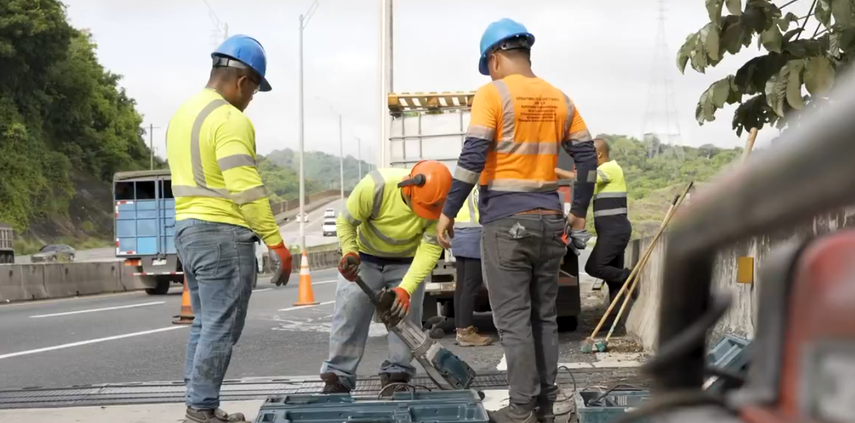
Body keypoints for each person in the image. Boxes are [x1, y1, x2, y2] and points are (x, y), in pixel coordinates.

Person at [435, 18, 598, 423]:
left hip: (507, 225)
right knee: (543, 317)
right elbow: (589, 158)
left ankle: (522, 410)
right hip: (550, 224)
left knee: (513, 322)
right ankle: (545, 405)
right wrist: (578, 212)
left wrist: (448, 211)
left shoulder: (493, 94)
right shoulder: (561, 98)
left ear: (494, 60)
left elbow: (472, 158)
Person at [167, 34, 293, 423]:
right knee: (221, 326)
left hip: (188, 230)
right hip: (223, 234)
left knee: (205, 322)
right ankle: (201, 409)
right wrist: (277, 244)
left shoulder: (182, 114)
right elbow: (247, 190)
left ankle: (198, 402)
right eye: (254, 90)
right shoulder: (229, 119)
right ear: (243, 81)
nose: (252, 99)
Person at [320, 161, 452, 394]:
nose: (423, 214)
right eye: (420, 206)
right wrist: (350, 251)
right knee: (349, 315)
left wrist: (406, 289)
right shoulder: (375, 186)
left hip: (407, 263)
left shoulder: (440, 205)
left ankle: (397, 374)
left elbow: (430, 248)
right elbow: (346, 222)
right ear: (409, 188)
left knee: (405, 318)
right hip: (365, 259)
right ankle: (339, 377)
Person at [558, 139, 632, 306]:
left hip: (615, 231)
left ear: (598, 154)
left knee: (594, 267)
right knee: (613, 281)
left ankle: (629, 276)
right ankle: (613, 316)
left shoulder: (611, 169)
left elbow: (586, 178)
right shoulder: (603, 171)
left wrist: (560, 173)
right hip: (610, 231)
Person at [451, 186, 492, 346]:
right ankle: (465, 332)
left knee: (461, 286)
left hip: (459, 235)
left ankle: (460, 330)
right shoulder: (479, 186)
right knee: (471, 286)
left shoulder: (463, 185)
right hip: (474, 236)